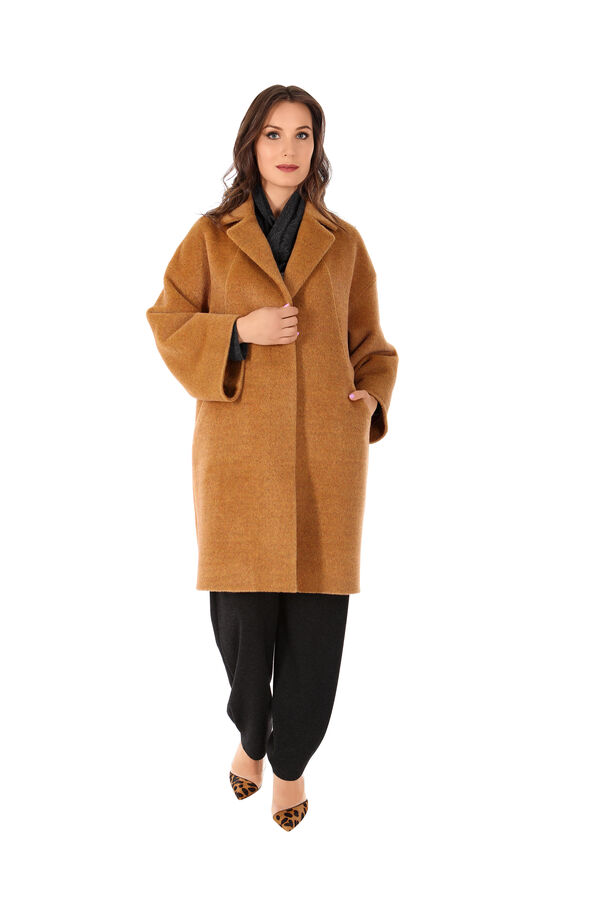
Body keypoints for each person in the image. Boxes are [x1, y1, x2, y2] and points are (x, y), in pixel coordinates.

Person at [146, 84, 398, 831]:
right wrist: (237, 331)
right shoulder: (209, 236)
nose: (289, 149)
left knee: (317, 626)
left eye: (303, 135)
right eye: (273, 134)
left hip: (326, 454)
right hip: (239, 454)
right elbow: (167, 320)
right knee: (243, 624)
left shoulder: (344, 242)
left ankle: (289, 762)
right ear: (250, 145)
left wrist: (372, 400)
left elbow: (372, 347)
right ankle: (251, 733)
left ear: (318, 148)